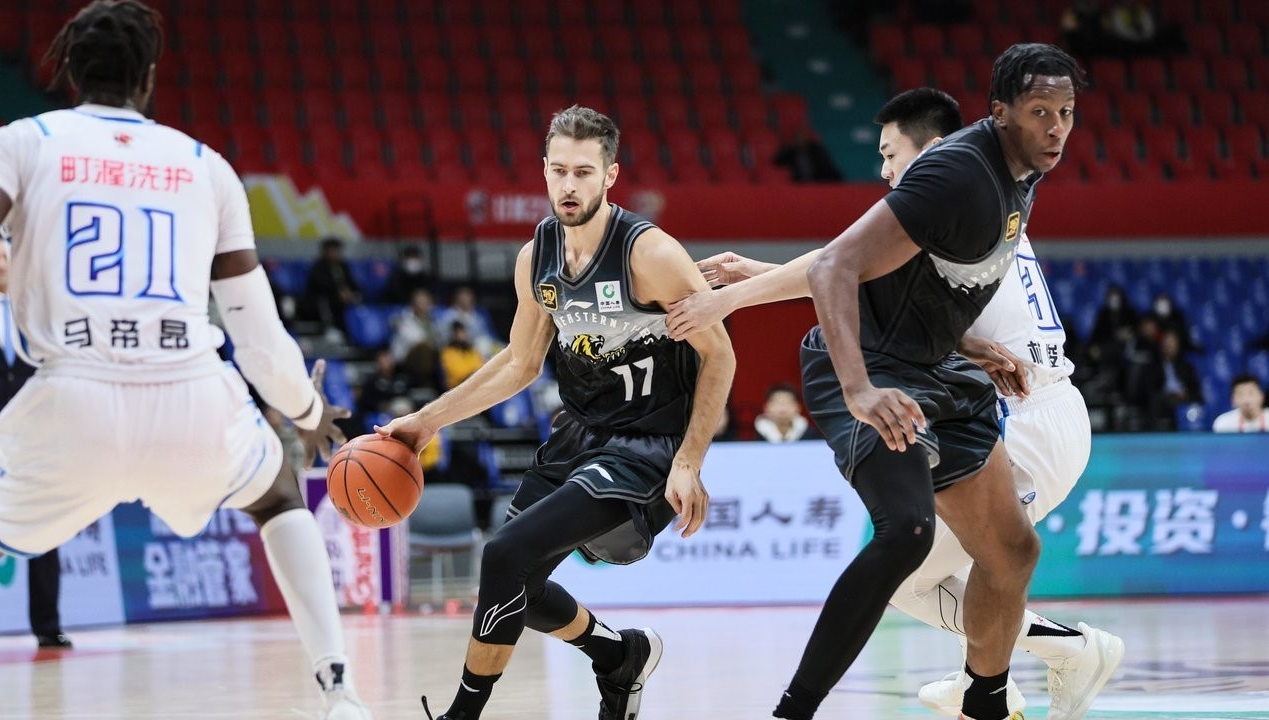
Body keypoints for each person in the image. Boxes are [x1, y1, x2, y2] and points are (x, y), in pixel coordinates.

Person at [671, 83, 1122, 719]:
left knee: (912, 571)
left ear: (935, 151)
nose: (882, 171)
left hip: (1028, 418)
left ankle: (1058, 653)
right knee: (941, 558)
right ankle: (989, 680)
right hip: (1036, 407)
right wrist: (755, 272)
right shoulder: (979, 202)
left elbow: (843, 269)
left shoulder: (963, 200)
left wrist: (738, 292)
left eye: (889, 154)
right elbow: (855, 275)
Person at [0, 3, 369, 718]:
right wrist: (309, 412)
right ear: (151, 78)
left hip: (71, 398)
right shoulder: (206, 165)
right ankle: (339, 687)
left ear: (69, 71)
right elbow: (256, 335)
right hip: (190, 396)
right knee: (278, 492)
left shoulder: (20, 142)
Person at [377, 105, 735, 720]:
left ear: (610, 176)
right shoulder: (536, 257)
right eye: (560, 171)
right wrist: (427, 420)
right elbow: (520, 364)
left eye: (584, 173)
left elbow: (720, 354)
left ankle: (464, 715)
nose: (570, 186)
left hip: (643, 444)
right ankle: (618, 657)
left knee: (501, 556)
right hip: (577, 434)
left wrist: (690, 460)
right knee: (521, 584)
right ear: (544, 171)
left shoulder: (649, 254)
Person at [0, 234, 70, 649]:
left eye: (5, 257)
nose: (1, 265)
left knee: (46, 530)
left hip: (35, 438)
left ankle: (48, 625)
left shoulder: (33, 311)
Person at [302, 236, 360, 334]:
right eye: (332, 250)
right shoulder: (318, 267)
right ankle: (330, 328)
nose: (334, 253)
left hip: (343, 300)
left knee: (357, 299)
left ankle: (356, 330)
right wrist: (338, 292)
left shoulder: (343, 265)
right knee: (325, 302)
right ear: (325, 251)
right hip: (325, 299)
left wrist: (349, 292)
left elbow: (352, 283)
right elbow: (320, 285)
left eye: (336, 250)